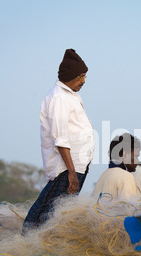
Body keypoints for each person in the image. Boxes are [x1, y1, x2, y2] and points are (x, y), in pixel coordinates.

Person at [22, 49, 94, 233]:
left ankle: (44, 244)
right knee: (50, 213)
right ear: (70, 76)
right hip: (66, 168)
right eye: (80, 77)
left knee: (61, 213)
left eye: (84, 76)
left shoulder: (71, 96)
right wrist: (71, 172)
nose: (84, 81)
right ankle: (31, 243)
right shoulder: (59, 98)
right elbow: (60, 139)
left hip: (76, 166)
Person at [93, 133, 141, 202]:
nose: (138, 161)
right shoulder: (126, 177)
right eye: (136, 156)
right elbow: (129, 209)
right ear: (124, 155)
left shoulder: (103, 176)